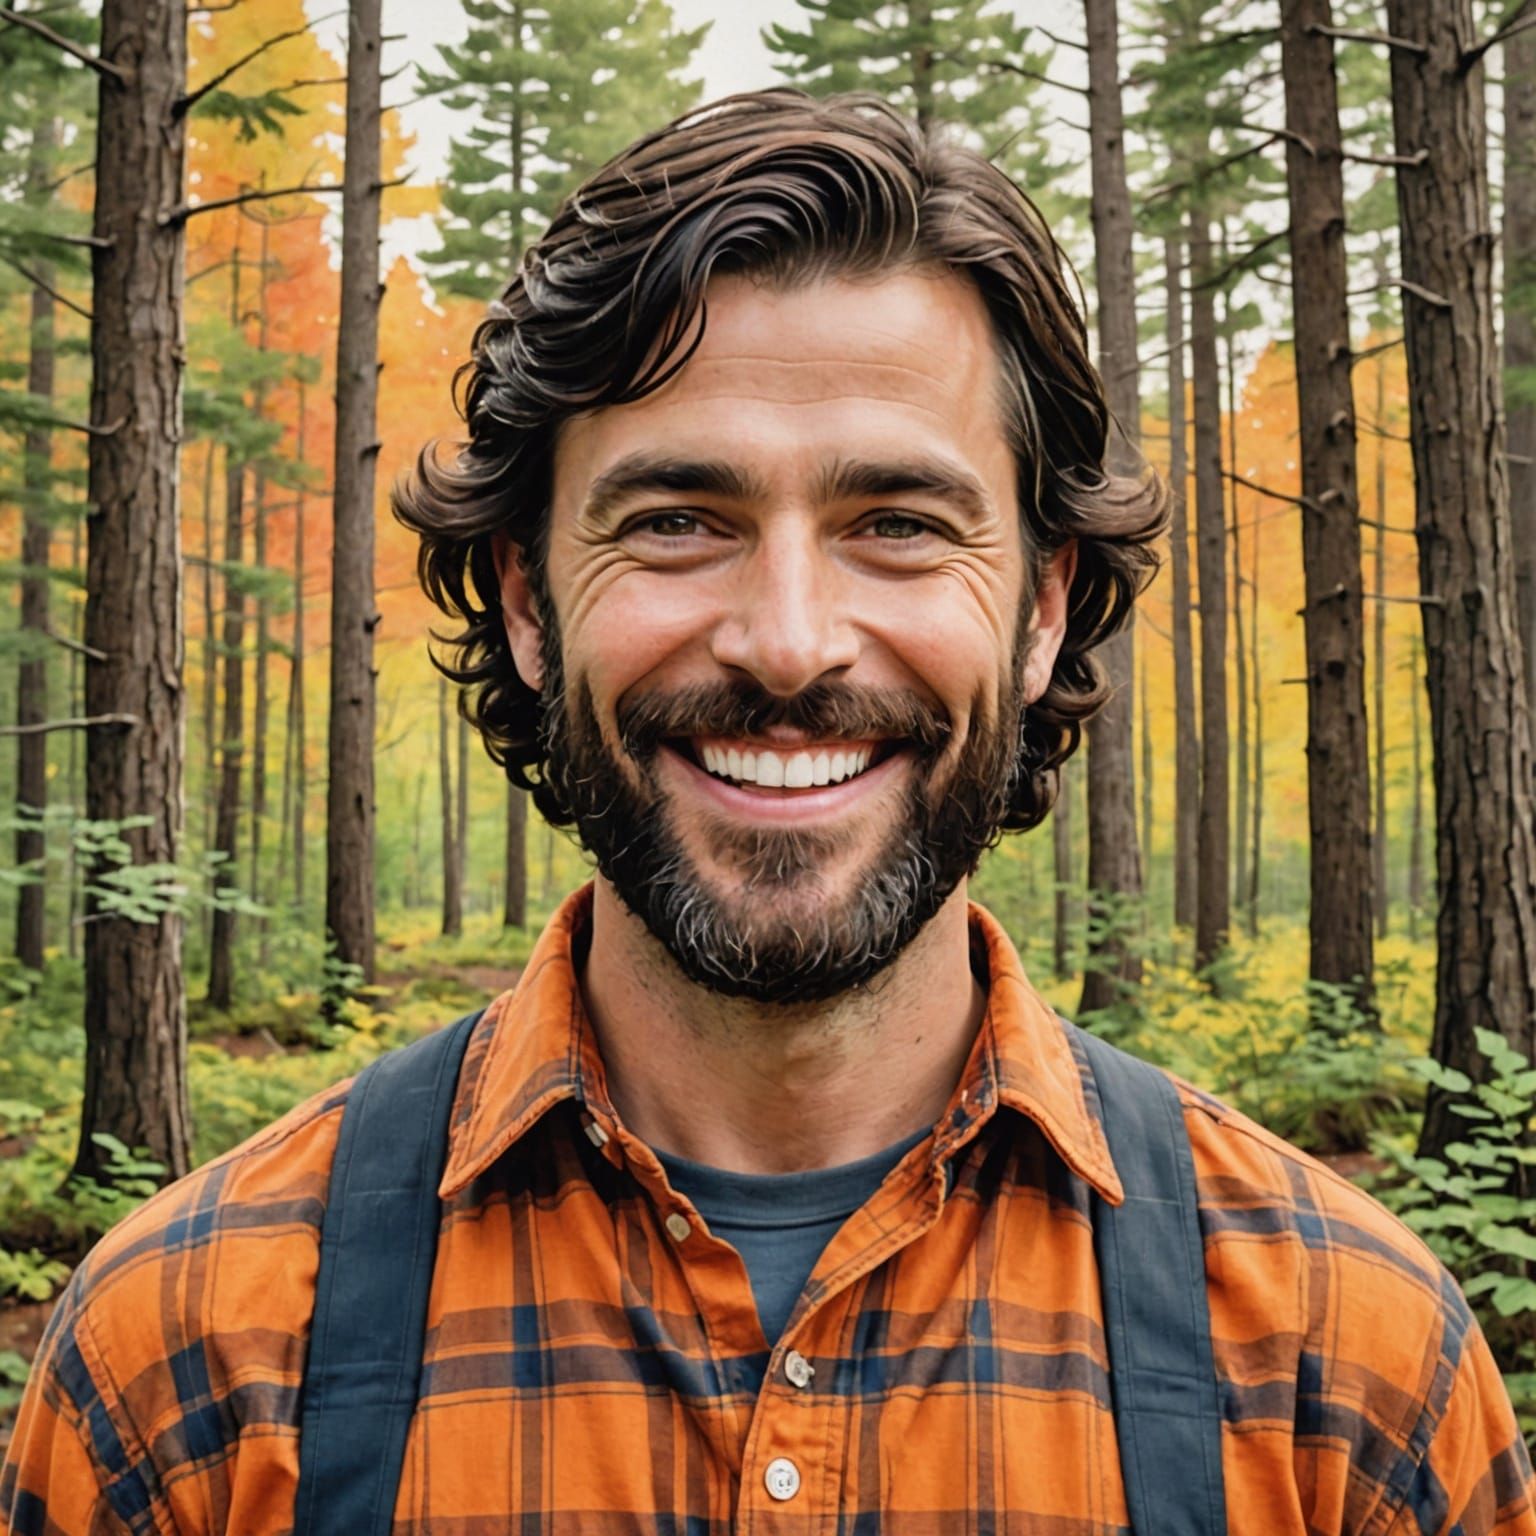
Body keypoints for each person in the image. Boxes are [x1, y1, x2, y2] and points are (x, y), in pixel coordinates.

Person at [3, 89, 1532, 1536]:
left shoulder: (1352, 1378)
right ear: (531, 603)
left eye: (897, 525)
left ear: (1044, 609)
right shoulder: (183, 1364)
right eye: (678, 521)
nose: (789, 641)